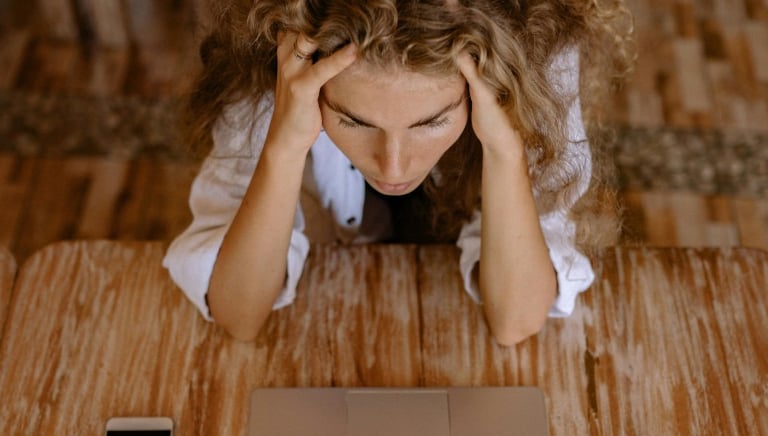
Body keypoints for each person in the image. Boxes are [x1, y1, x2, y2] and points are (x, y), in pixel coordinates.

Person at [164, 0, 634, 344]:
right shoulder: (280, 57)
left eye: (431, 121)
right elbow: (239, 315)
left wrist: (506, 150)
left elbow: (516, 321)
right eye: (353, 120)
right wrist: (283, 145)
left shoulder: (537, 56)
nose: (393, 166)